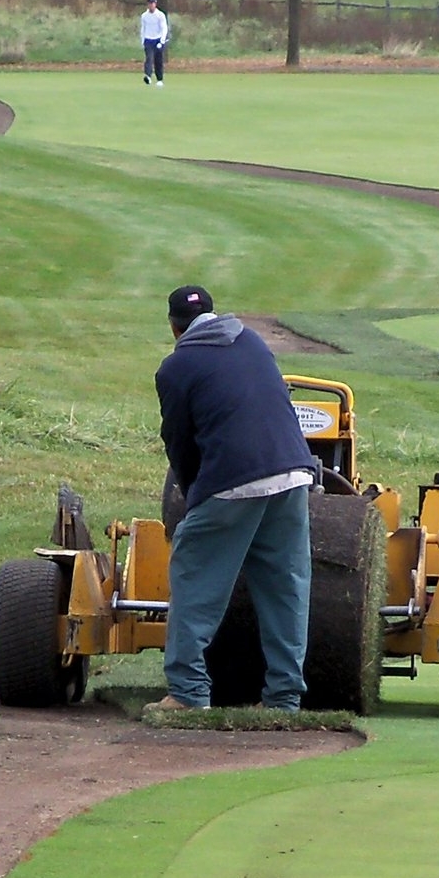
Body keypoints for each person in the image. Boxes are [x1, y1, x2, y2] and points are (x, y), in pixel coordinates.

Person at [150, 285, 318, 713]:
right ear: (213, 313)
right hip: (294, 473)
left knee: (193, 576)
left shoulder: (176, 367)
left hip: (233, 480)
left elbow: (180, 444)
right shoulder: (253, 341)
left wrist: (192, 497)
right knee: (286, 586)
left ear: (174, 326)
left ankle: (188, 693)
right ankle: (283, 698)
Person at [139, 0, 170, 86]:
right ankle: (148, 76)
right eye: (149, 4)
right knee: (149, 58)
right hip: (148, 39)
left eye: (152, 4)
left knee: (158, 60)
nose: (150, 5)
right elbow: (143, 29)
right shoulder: (144, 16)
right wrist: (143, 40)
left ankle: (159, 79)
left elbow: (164, 28)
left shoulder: (160, 15)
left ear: (155, 4)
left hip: (158, 39)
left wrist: (162, 40)